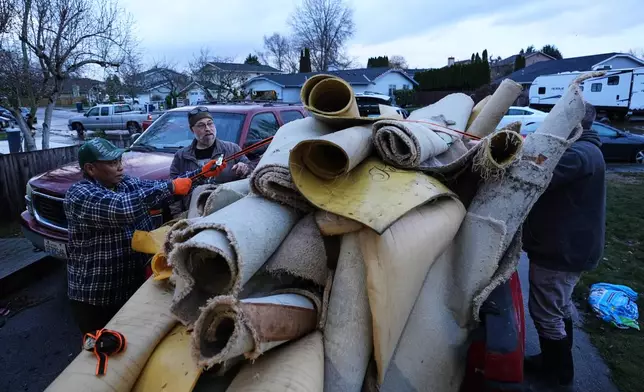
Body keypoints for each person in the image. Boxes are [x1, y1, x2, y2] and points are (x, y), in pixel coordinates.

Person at [63, 138, 226, 334]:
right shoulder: (79, 194)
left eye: (120, 161)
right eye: (113, 163)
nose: (120, 167)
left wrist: (201, 174)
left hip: (130, 286)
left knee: (131, 341)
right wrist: (171, 188)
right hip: (97, 296)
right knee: (101, 349)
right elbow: (123, 209)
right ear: (90, 169)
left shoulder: (124, 183)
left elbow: (156, 189)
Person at [522, 102, 606, 390]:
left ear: (571, 123)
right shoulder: (586, 150)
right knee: (559, 308)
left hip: (561, 250)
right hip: (571, 246)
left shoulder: (577, 155)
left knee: (546, 313)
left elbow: (532, 177)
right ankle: (552, 362)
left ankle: (558, 374)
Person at [170, 107, 253, 211]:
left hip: (228, 210)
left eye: (210, 123)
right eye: (201, 125)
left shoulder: (232, 149)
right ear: (192, 129)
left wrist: (246, 168)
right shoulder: (181, 156)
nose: (207, 128)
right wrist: (177, 216)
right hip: (194, 213)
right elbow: (174, 193)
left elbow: (252, 174)